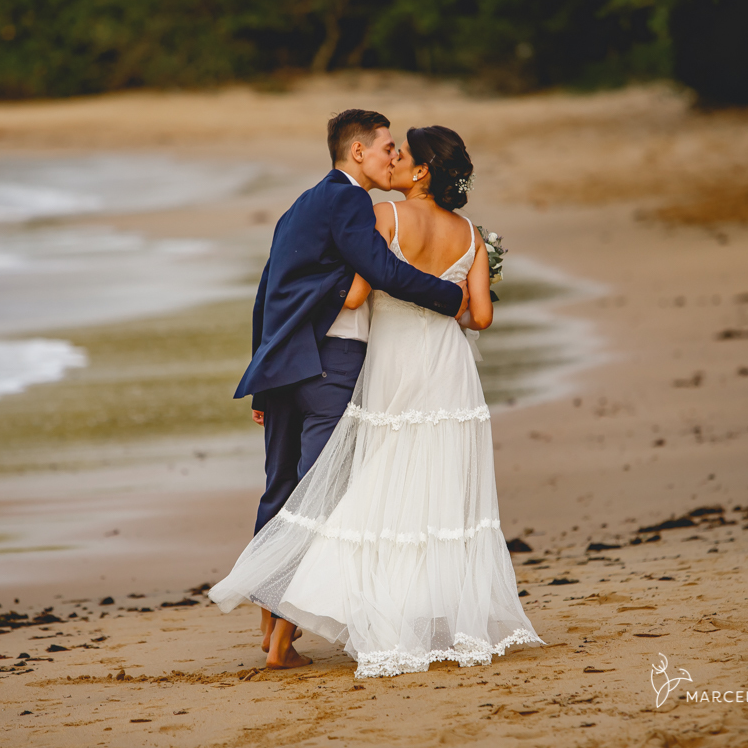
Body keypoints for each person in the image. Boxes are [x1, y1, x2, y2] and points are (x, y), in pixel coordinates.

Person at [213, 125, 542, 677]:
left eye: (403, 155)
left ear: (420, 172)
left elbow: (363, 289)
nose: (394, 161)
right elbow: (480, 316)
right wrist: (447, 300)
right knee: (437, 493)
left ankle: (282, 634)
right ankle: (441, 618)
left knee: (362, 488)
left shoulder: (385, 218)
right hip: (448, 368)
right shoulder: (472, 235)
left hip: (392, 366)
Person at [233, 110, 470, 668]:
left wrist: (264, 381)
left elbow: (267, 293)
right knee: (321, 493)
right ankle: (280, 638)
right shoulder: (350, 203)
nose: (393, 156)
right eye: (387, 147)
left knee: (281, 491)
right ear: (357, 152)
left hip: (288, 364)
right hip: (330, 362)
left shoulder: (302, 204)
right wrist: (450, 299)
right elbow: (381, 271)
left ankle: (272, 626)